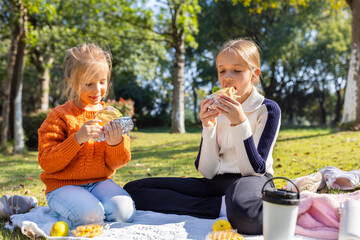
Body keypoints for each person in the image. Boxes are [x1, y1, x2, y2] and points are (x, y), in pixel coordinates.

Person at [124, 38, 281, 234]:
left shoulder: (267, 109)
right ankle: (222, 207)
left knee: (247, 215)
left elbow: (255, 169)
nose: (227, 78)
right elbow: (207, 171)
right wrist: (208, 127)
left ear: (254, 75)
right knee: (134, 191)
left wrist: (239, 123)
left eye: (237, 70)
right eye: (222, 70)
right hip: (216, 183)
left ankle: (230, 206)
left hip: (252, 181)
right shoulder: (216, 106)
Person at [38, 43, 135, 228]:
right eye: (88, 84)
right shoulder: (60, 116)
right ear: (71, 82)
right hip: (62, 185)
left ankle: (88, 205)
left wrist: (115, 143)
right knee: (90, 217)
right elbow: (47, 162)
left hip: (99, 182)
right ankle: (69, 209)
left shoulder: (111, 115)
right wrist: (77, 140)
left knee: (125, 213)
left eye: (102, 81)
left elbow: (118, 162)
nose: (97, 89)